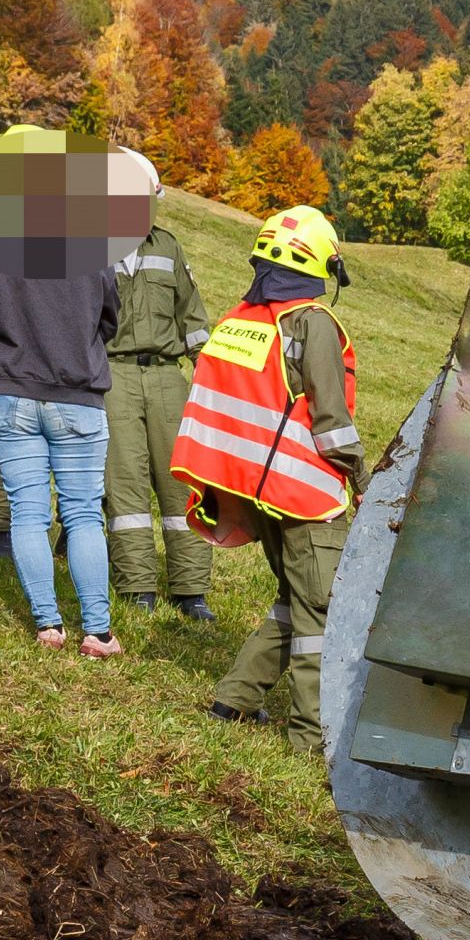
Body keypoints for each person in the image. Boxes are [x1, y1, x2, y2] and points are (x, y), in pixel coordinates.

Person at [177, 204, 363, 749]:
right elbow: (331, 423)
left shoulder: (240, 321)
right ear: (319, 263)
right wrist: (365, 481)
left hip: (252, 492)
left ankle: (235, 698)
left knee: (293, 597)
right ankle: (313, 735)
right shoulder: (313, 323)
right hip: (306, 494)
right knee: (321, 613)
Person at [0, 125, 125, 655]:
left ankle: (48, 624)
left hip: (10, 393)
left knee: (27, 512)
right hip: (77, 397)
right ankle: (97, 629)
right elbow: (109, 320)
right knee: (84, 514)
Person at [101, 152, 217, 619]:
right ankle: (137, 588)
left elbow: (194, 320)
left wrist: (208, 381)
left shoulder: (168, 247)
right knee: (124, 485)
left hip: (170, 379)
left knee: (182, 486)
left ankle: (191, 591)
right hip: (113, 377)